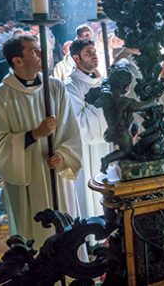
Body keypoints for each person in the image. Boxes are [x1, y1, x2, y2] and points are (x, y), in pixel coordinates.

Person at [0, 35, 82, 244]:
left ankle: (72, 275)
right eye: (33, 51)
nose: (41, 55)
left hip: (57, 175)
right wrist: (34, 134)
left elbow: (70, 130)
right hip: (27, 177)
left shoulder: (55, 88)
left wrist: (63, 156)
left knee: (66, 231)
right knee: (36, 236)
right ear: (17, 61)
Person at [65, 39, 109, 218]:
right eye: (88, 53)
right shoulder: (71, 85)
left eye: (95, 52)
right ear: (76, 58)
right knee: (89, 197)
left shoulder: (102, 80)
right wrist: (106, 109)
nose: (94, 56)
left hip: (106, 143)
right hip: (86, 148)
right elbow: (78, 121)